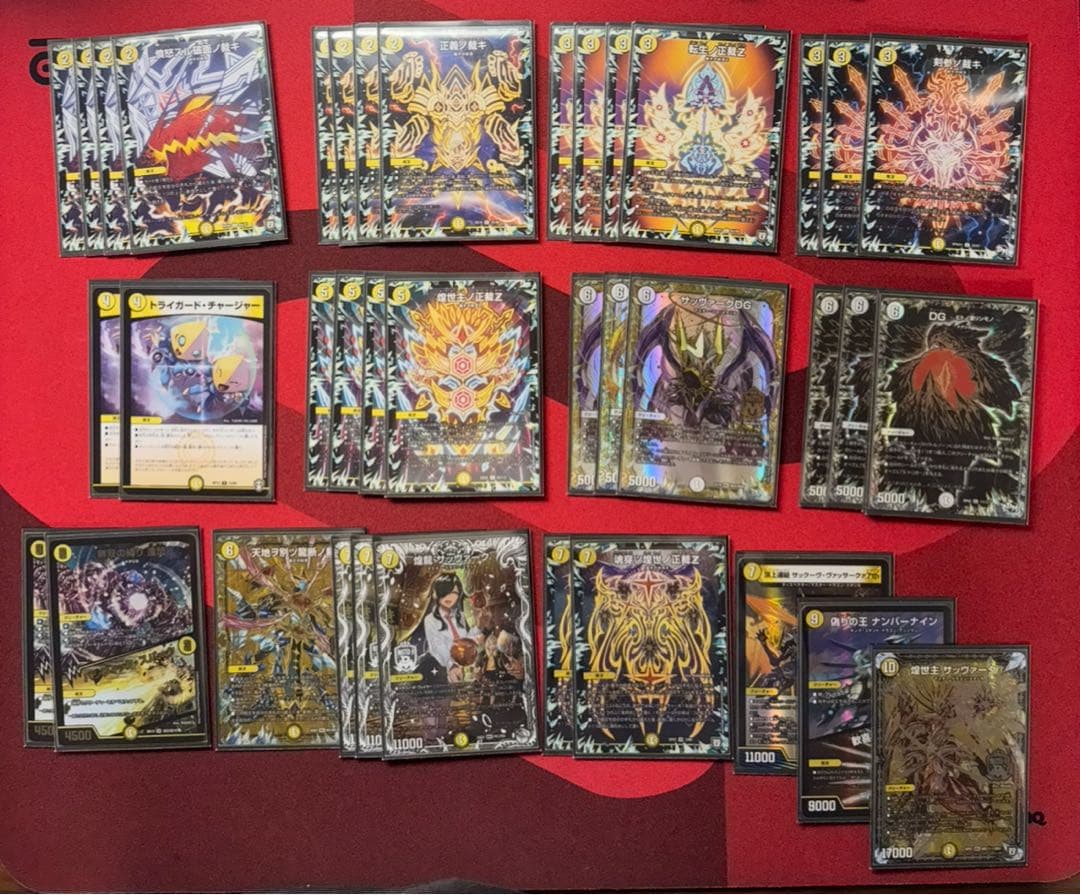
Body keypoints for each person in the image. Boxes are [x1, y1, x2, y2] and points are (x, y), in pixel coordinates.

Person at [421, 572, 483, 683]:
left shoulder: (460, 616)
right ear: (436, 593)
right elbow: (436, 647)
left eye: (454, 593)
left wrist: (478, 626)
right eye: (445, 591)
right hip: (444, 669)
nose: (449, 597)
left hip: (467, 663)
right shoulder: (430, 620)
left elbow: (467, 641)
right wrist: (452, 665)